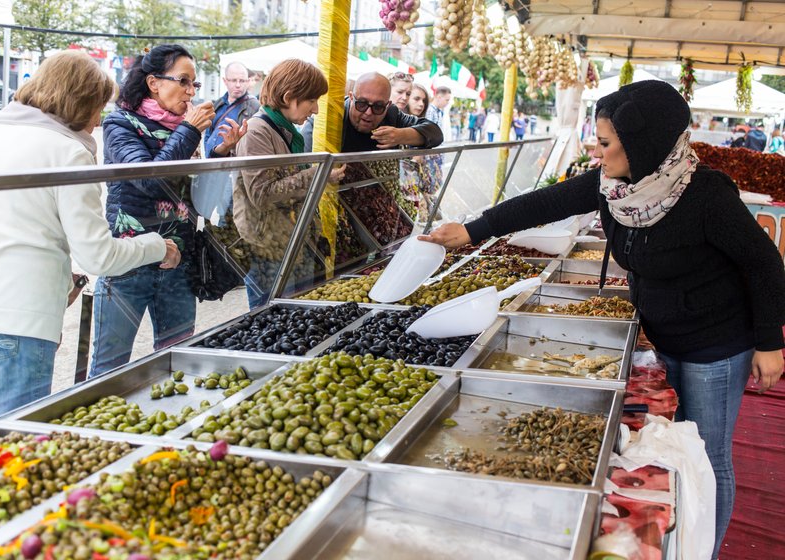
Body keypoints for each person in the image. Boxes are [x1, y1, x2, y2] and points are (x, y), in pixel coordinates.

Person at [421, 80, 785, 559]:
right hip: (663, 332)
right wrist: (471, 230)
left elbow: (763, 264)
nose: (597, 151)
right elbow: (542, 203)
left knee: (706, 455)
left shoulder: (704, 195)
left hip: (717, 343)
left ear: (643, 144)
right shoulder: (615, 187)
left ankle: (705, 549)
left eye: (607, 142)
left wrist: (768, 344)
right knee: (678, 447)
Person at [0, 51, 175, 431]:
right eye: (98, 108)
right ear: (80, 102)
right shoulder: (67, 152)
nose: (99, 120)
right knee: (15, 448)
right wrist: (157, 246)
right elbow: (99, 256)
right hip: (17, 323)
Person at [91, 44, 245, 377]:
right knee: (109, 366)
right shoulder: (120, 124)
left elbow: (199, 199)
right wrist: (189, 131)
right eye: (184, 81)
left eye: (195, 85)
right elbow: (150, 179)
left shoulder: (186, 129)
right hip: (128, 262)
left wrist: (219, 155)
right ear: (154, 83)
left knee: (177, 362)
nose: (191, 91)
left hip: (178, 262)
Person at [233, 59, 346, 308]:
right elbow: (262, 194)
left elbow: (289, 181)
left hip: (294, 242)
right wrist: (317, 174)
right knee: (270, 322)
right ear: (288, 97)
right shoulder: (257, 132)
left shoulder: (285, 132)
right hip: (269, 249)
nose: (315, 110)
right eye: (312, 100)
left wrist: (323, 176)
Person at [302, 72, 442, 152]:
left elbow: (435, 133)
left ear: (387, 105)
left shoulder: (392, 114)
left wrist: (401, 135)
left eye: (378, 107)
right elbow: (303, 168)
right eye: (361, 104)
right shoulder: (325, 120)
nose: (368, 112)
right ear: (351, 98)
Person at [204, 61, 259, 158]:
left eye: (242, 81)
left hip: (233, 165)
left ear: (247, 81)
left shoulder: (255, 107)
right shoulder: (217, 104)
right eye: (234, 80)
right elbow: (208, 133)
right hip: (210, 161)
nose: (238, 85)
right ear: (225, 81)